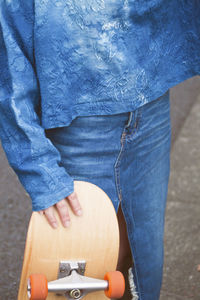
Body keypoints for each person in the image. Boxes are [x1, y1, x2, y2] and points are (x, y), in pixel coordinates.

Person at [0, 1, 199, 299]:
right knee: (78, 276)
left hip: (151, 96)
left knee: (140, 267)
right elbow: (8, 50)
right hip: (78, 119)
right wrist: (37, 165)